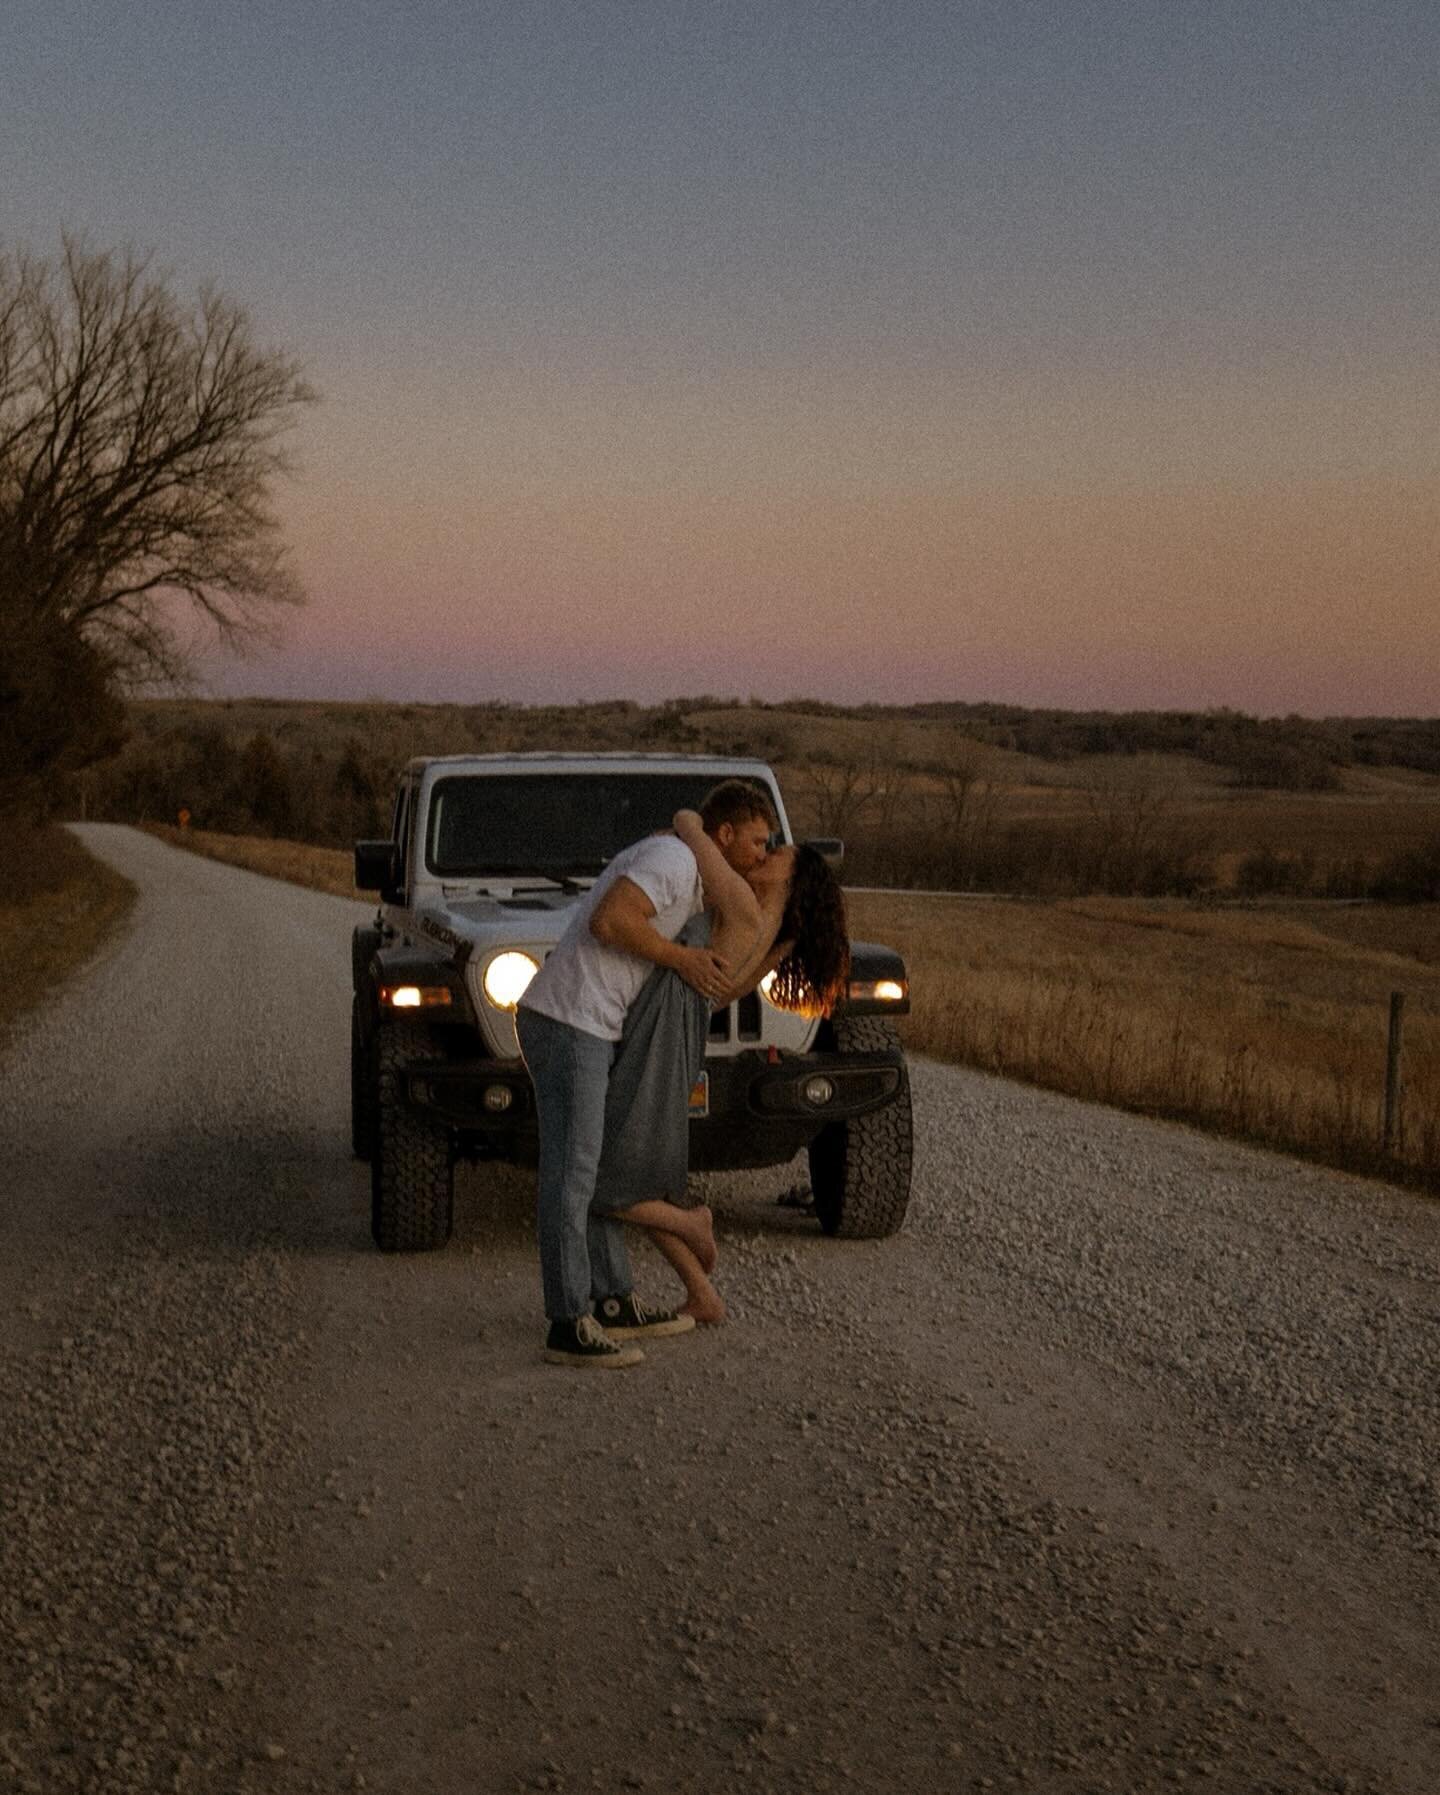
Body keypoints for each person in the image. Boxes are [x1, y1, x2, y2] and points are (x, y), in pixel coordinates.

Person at [514, 781, 777, 1369]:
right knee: (573, 1174)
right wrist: (682, 957)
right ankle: (567, 1322)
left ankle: (612, 1302)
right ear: (724, 836)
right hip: (568, 1022)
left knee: (597, 1163)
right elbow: (611, 921)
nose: (763, 854)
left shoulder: (685, 865)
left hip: (593, 1024)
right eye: (758, 842)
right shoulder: (675, 861)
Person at [590, 809, 851, 1326]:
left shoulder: (741, 905)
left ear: (791, 877)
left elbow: (691, 829)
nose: (766, 853)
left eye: (776, 852)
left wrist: (687, 820)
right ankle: (702, 1294)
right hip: (677, 1029)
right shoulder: (769, 929)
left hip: (662, 1033)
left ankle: (694, 1223)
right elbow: (724, 992)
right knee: (638, 1174)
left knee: (599, 1180)